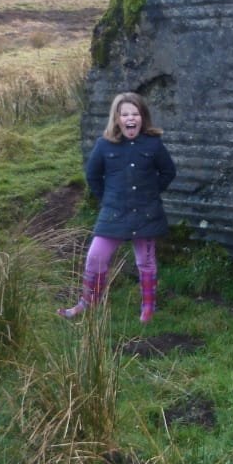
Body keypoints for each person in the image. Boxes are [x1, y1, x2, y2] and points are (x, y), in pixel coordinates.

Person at [60, 92, 176, 324]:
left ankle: (148, 309)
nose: (130, 118)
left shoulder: (153, 144)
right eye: (125, 114)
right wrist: (108, 198)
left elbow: (168, 172)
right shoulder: (104, 145)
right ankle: (88, 303)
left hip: (146, 215)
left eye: (135, 113)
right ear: (117, 118)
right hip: (113, 213)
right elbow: (93, 176)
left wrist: (150, 194)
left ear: (142, 117)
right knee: (95, 258)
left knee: (145, 262)